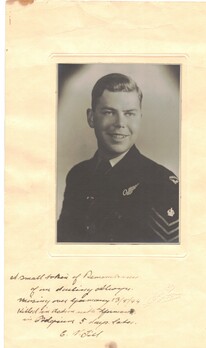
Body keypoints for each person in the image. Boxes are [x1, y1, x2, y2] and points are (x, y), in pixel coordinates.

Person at [57, 73, 179, 243]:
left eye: (129, 114)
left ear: (139, 119)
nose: (120, 123)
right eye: (109, 112)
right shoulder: (78, 175)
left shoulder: (162, 184)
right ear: (91, 118)